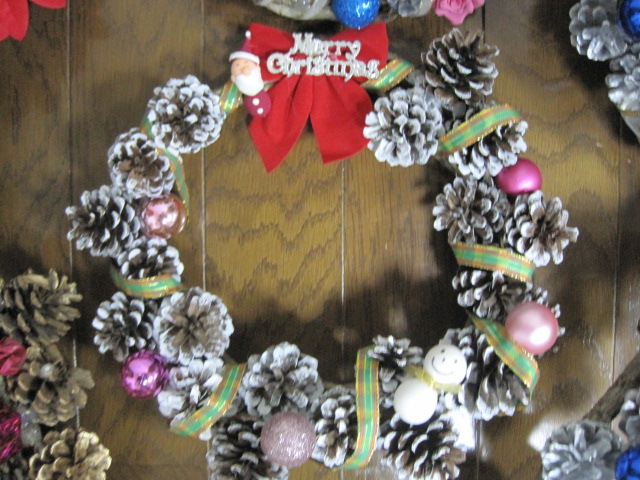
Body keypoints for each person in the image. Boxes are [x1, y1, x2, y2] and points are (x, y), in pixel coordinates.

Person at [229, 32, 271, 117]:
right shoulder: (239, 79)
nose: (242, 66)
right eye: (237, 65)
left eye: (246, 62)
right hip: (247, 98)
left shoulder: (254, 72)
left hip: (258, 96)